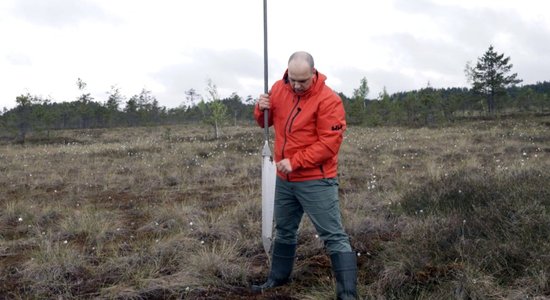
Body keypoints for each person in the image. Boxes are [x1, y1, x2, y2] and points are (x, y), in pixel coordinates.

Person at [252, 51, 357, 299]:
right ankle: (277, 279)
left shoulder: (328, 100)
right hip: (285, 180)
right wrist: (260, 108)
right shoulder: (279, 88)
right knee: (285, 229)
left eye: (303, 81)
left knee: (333, 235)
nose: (297, 86)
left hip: (316, 180)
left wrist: (296, 162)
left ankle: (348, 294)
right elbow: (263, 122)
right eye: (293, 79)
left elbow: (329, 144)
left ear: (314, 73)